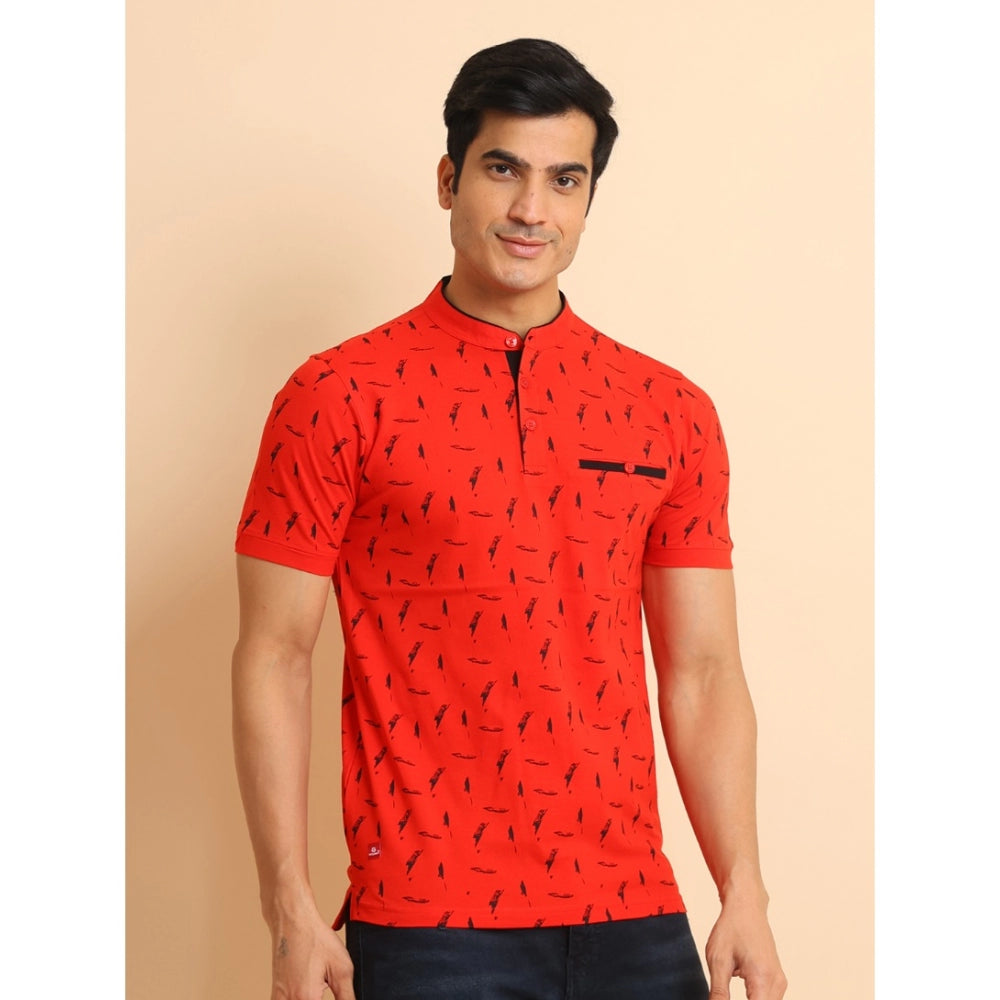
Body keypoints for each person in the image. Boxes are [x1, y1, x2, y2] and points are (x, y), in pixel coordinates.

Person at [232, 37, 787, 1000]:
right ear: (449, 180)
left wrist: (744, 890)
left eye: (565, 180)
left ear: (588, 199)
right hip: (430, 924)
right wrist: (288, 905)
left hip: (634, 917)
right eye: (503, 170)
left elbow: (702, 670)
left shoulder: (668, 408)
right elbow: (275, 654)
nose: (534, 209)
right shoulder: (336, 394)